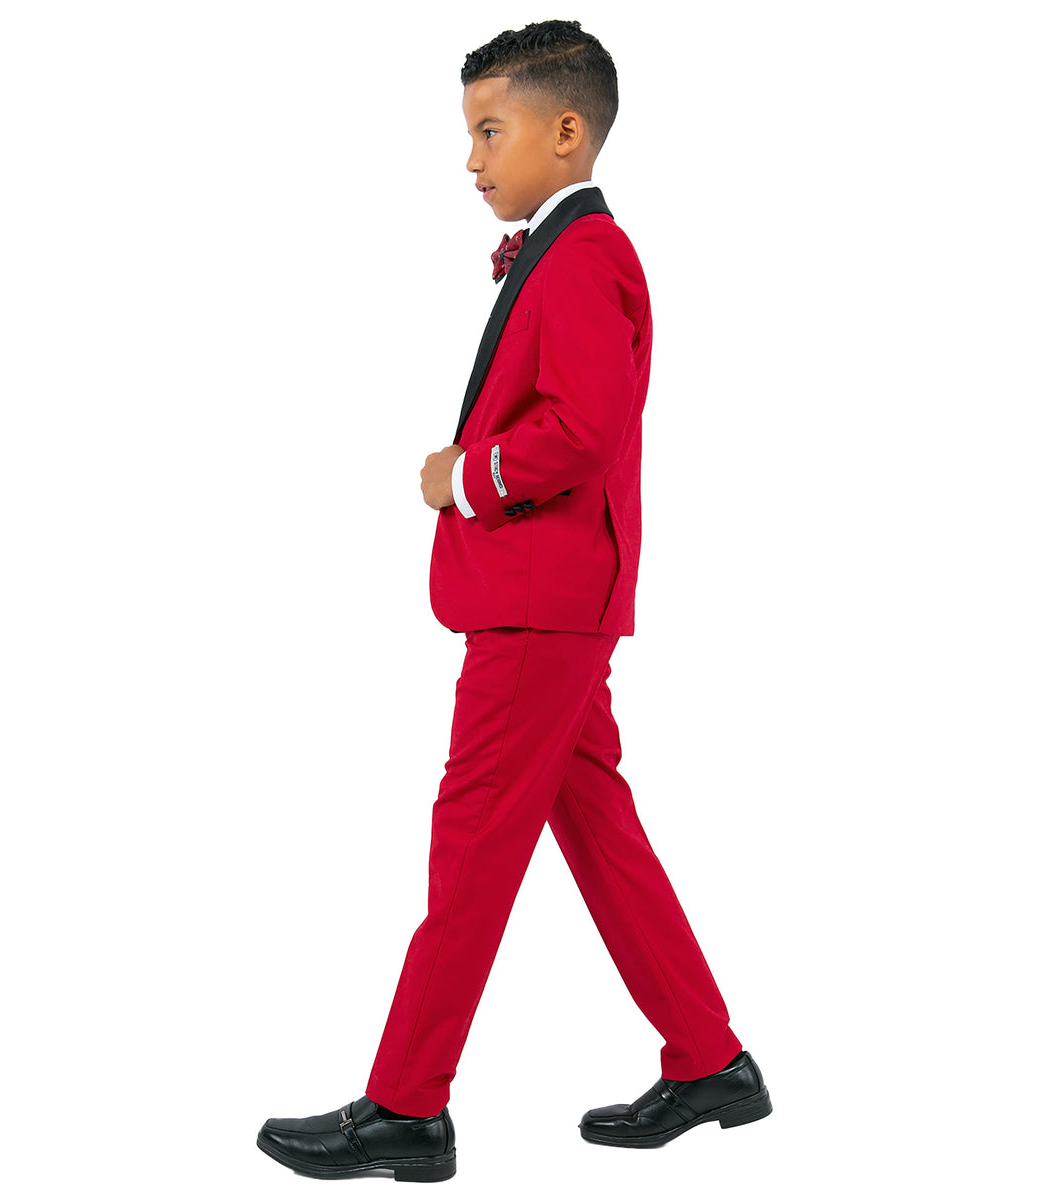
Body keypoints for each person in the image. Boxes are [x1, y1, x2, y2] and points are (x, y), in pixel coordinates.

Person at [256, 19, 770, 1183]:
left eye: (491, 132)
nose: (472, 158)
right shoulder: (567, 252)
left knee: (473, 843)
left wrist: (464, 477)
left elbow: (580, 432)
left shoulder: (584, 256)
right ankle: (711, 1061)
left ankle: (406, 1106)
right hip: (557, 600)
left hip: (540, 605)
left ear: (567, 131)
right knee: (599, 828)